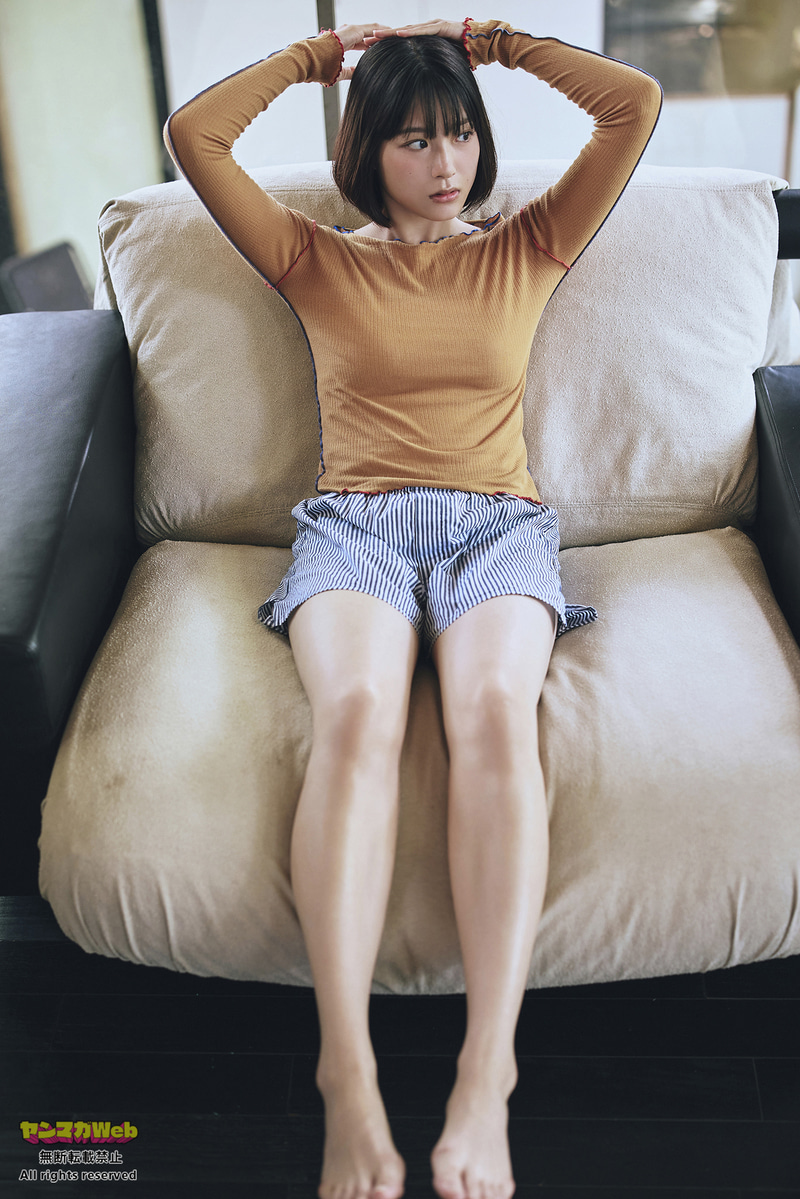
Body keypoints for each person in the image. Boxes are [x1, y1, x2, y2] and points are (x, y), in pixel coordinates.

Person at [165, 17, 662, 1199]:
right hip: (358, 530)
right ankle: (347, 1075)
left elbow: (632, 103)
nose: (440, 163)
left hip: (498, 527)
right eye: (407, 140)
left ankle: (485, 1075)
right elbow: (196, 137)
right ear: (365, 153)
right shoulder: (311, 258)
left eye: (453, 137)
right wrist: (313, 56)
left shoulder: (532, 245)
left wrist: (487, 40)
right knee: (357, 721)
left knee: (492, 705)